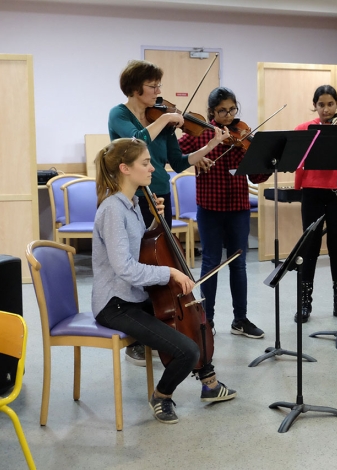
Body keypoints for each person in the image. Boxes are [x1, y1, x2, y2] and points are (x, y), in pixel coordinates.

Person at [92, 138, 236, 425]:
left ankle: (209, 384)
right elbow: (125, 268)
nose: (152, 169)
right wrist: (170, 273)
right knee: (187, 350)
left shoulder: (132, 204)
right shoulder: (112, 210)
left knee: (194, 322)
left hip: (134, 296)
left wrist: (155, 224)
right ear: (125, 168)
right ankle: (161, 396)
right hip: (115, 304)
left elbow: (139, 246)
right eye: (146, 163)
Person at [109, 59, 226, 364]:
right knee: (136, 265)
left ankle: (159, 330)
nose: (159, 92)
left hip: (160, 196)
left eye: (159, 85)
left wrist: (211, 144)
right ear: (135, 89)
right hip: (132, 199)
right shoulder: (119, 114)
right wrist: (167, 119)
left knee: (160, 261)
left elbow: (179, 161)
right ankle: (136, 339)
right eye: (153, 86)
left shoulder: (161, 120)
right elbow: (136, 141)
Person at [178, 87, 268, 339]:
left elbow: (257, 177)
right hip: (210, 208)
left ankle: (240, 319)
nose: (228, 116)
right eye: (222, 111)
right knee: (210, 264)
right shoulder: (201, 133)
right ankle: (206, 320)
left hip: (238, 208)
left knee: (239, 265)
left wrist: (266, 160)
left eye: (232, 110)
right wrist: (194, 158)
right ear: (212, 112)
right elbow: (174, 155)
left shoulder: (242, 135)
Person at [293, 85, 337, 323]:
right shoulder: (304, 129)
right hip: (312, 192)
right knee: (310, 247)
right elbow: (296, 159)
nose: (326, 109)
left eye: (330, 104)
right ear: (315, 105)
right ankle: (304, 304)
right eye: (321, 105)